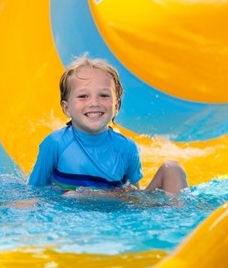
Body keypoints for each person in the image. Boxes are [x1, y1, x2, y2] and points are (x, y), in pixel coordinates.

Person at [28, 55, 188, 194]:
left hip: (113, 210)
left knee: (173, 169)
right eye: (83, 96)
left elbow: (132, 198)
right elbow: (35, 191)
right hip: (72, 212)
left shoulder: (126, 148)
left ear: (116, 106)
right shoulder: (56, 144)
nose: (94, 103)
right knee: (73, 197)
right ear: (66, 108)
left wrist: (90, 197)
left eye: (104, 95)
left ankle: (181, 215)